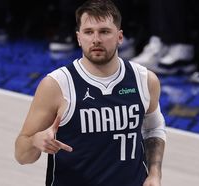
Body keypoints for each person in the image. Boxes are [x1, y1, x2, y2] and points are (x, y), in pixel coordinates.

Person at [14, 0, 166, 185]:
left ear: (119, 37)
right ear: (79, 38)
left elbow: (154, 129)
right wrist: (36, 141)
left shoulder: (145, 80)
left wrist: (154, 173)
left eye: (104, 31)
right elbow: (22, 155)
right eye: (88, 32)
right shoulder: (56, 85)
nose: (96, 39)